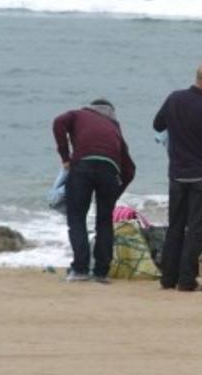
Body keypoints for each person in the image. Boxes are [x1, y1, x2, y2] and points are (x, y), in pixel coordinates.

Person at [153, 62, 202, 292]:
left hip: (177, 174)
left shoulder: (174, 98)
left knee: (175, 226)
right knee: (196, 229)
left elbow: (158, 124)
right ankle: (186, 280)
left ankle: (168, 278)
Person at [53, 98, 135, 283]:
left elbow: (58, 122)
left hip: (82, 167)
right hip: (109, 171)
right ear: (111, 112)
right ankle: (101, 273)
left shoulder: (79, 114)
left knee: (77, 218)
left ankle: (80, 270)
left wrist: (65, 157)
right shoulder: (114, 128)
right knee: (104, 222)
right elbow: (130, 170)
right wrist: (115, 194)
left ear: (91, 107)